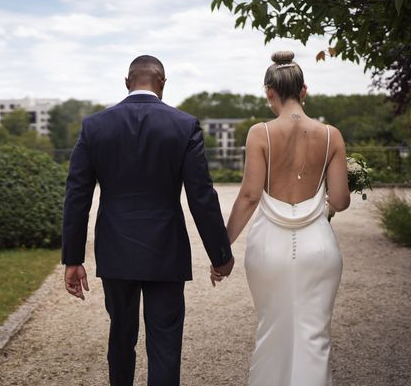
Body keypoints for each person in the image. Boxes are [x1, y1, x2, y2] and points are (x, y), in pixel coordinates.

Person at [61, 55, 234, 386]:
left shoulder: (94, 126)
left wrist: (73, 258)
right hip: (166, 249)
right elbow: (202, 196)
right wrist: (220, 256)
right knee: (165, 342)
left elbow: (77, 196)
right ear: (163, 84)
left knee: (121, 336)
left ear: (127, 83)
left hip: (115, 249)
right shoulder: (184, 125)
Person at [213, 51, 350, 386]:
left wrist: (222, 248)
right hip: (319, 248)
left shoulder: (260, 133)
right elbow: (341, 201)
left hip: (269, 248)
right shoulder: (331, 135)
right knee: (315, 335)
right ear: (304, 90)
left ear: (268, 92)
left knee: (271, 330)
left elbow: (249, 196)